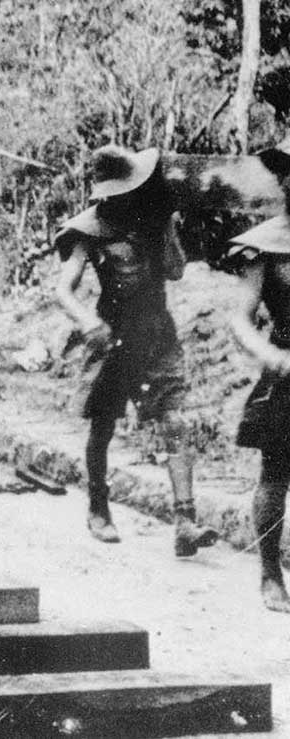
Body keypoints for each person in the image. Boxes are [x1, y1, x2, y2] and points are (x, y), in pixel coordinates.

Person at [54, 145, 219, 555]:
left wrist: (169, 228)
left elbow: (177, 271)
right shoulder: (88, 230)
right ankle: (98, 508)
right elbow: (63, 288)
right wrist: (85, 320)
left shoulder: (155, 219)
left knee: (175, 420)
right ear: (107, 193)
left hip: (158, 331)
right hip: (114, 334)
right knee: (104, 425)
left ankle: (185, 521)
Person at [228, 139, 290, 612]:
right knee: (277, 473)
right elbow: (241, 319)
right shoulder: (266, 245)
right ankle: (270, 574)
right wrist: (269, 352)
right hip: (287, 369)